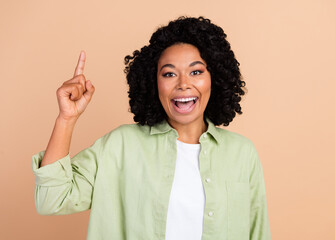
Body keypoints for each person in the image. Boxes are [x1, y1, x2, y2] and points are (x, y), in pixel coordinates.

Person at [32, 16, 271, 240]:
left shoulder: (242, 153)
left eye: (196, 71)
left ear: (215, 78)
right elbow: (52, 199)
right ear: (154, 83)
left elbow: (258, 232)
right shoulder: (121, 145)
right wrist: (66, 119)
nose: (183, 84)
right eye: (169, 74)